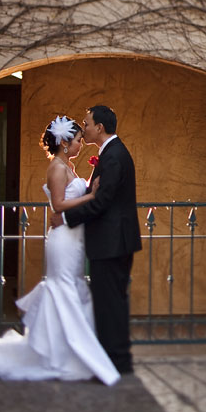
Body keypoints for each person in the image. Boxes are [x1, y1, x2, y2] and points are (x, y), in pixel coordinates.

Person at [0, 116, 120, 385]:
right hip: (63, 240)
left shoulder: (68, 165)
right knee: (63, 290)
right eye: (77, 140)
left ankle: (67, 351)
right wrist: (91, 195)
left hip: (75, 237)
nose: (81, 145)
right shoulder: (56, 168)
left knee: (73, 288)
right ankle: (64, 356)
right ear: (63, 141)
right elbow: (58, 206)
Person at [50, 105, 141, 374]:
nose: (84, 127)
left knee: (109, 303)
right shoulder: (111, 153)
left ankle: (116, 362)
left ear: (99, 127)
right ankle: (116, 359)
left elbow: (102, 202)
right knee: (111, 302)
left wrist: (66, 219)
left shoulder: (113, 156)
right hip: (112, 241)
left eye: (86, 123)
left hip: (112, 243)